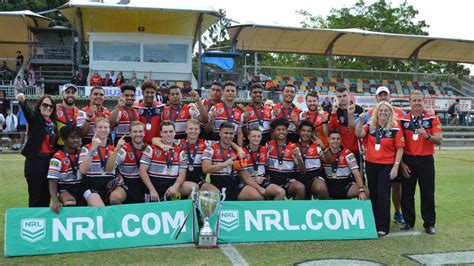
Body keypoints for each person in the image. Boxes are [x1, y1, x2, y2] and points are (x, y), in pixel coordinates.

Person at [356, 101, 405, 237]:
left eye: (386, 111)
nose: (383, 113)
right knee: (374, 194)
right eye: (380, 110)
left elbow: (400, 148)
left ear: (390, 113)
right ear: (376, 112)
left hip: (387, 165)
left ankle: (383, 226)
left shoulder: (395, 128)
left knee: (383, 195)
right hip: (371, 164)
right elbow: (359, 134)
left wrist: (396, 167)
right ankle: (374, 223)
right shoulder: (370, 126)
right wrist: (360, 121)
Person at [399, 90, 442, 234]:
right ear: (410, 102)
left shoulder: (432, 118)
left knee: (428, 193)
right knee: (407, 193)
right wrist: (403, 164)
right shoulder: (403, 120)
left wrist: (426, 135)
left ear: (424, 102)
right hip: (408, 160)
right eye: (414, 100)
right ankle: (408, 221)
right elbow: (399, 144)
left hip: (426, 160)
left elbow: (439, 140)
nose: (417, 103)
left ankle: (429, 223)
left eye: (419, 100)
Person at [367, 86, 406, 226]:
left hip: (393, 159)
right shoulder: (370, 114)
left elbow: (406, 131)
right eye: (380, 95)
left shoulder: (400, 113)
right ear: (376, 97)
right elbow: (361, 132)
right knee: (376, 190)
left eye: (385, 95)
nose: (383, 97)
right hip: (374, 160)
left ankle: (397, 212)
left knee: (396, 186)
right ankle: (376, 219)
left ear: (389, 96)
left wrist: (398, 164)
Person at [202, 122, 264, 201]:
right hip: (217, 184)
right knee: (215, 195)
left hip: (235, 185)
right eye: (226, 133)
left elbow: (245, 176)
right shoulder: (210, 149)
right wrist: (223, 165)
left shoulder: (238, 152)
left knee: (257, 196)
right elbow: (205, 169)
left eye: (231, 133)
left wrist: (259, 188)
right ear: (220, 133)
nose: (228, 136)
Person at [17, 93, 57, 207]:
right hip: (35, 162)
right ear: (39, 106)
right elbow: (28, 113)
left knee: (46, 196)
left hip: (48, 163)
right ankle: (34, 223)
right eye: (45, 105)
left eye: (51, 106)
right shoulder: (35, 119)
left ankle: (44, 223)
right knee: (35, 197)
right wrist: (22, 102)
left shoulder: (53, 124)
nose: (48, 108)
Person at [79, 117, 126, 206]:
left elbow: (109, 169)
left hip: (110, 186)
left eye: (106, 127)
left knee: (115, 199)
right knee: (100, 208)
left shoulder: (114, 149)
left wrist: (116, 151)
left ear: (109, 130)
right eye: (100, 127)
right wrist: (93, 148)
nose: (103, 130)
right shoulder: (86, 148)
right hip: (91, 187)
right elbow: (83, 170)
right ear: (94, 129)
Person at [139, 121, 187, 201]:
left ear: (175, 132)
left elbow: (182, 174)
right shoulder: (151, 149)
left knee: (192, 187)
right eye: (165, 132)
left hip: (170, 190)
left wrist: (175, 187)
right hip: (153, 190)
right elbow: (142, 170)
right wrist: (151, 189)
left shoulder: (181, 152)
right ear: (161, 133)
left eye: (171, 131)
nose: (168, 134)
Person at [316, 130, 369, 200]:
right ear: (328, 139)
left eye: (338, 139)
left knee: (366, 192)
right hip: (328, 184)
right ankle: (324, 208)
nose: (335, 141)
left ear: (341, 140)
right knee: (320, 188)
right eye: (333, 139)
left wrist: (361, 189)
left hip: (344, 184)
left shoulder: (348, 154)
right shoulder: (323, 152)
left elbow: (356, 172)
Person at [106, 121, 149, 203]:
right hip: (128, 185)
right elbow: (109, 169)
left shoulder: (149, 149)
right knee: (115, 197)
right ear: (130, 133)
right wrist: (116, 150)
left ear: (144, 133)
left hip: (145, 185)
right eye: (135, 132)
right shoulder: (124, 149)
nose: (138, 134)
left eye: (140, 131)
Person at [266, 118, 306, 200]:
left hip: (287, 180)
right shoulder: (268, 145)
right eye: (278, 129)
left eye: (283, 129)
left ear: (287, 131)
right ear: (274, 131)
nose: (281, 132)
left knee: (300, 188)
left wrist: (298, 158)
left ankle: (295, 212)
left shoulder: (293, 147)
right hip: (271, 179)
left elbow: (303, 171)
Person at [243, 126, 286, 200]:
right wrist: (253, 179)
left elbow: (266, 167)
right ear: (248, 137)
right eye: (254, 136)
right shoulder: (242, 152)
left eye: (259, 136)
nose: (256, 139)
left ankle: (271, 210)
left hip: (261, 181)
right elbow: (241, 175)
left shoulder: (265, 150)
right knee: (259, 197)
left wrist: (265, 177)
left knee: (281, 192)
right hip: (248, 182)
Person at [47, 125, 83, 213]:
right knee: (70, 202)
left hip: (81, 187)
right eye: (72, 137)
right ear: (63, 139)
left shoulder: (82, 153)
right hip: (65, 188)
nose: (76, 140)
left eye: (78, 137)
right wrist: (55, 200)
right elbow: (52, 181)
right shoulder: (57, 158)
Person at [295, 120, 333, 199]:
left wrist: (323, 148)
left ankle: (326, 209)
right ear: (299, 132)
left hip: (314, 176)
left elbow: (330, 161)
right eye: (303, 131)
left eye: (309, 131)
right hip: (298, 177)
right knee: (300, 194)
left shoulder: (317, 146)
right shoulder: (293, 146)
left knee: (322, 189)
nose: (306, 133)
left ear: (312, 133)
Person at [329, 86, 364, 163]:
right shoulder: (335, 111)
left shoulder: (358, 109)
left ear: (349, 95)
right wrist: (333, 112)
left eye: (344, 96)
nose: (342, 98)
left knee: (357, 174)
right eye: (339, 96)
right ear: (336, 97)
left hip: (356, 151)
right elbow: (332, 129)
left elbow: (363, 130)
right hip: (341, 151)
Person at [134, 80, 164, 144]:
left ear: (155, 93)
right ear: (142, 93)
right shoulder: (136, 108)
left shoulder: (162, 107)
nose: (149, 95)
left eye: (152, 92)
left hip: (157, 144)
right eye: (147, 92)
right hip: (141, 144)